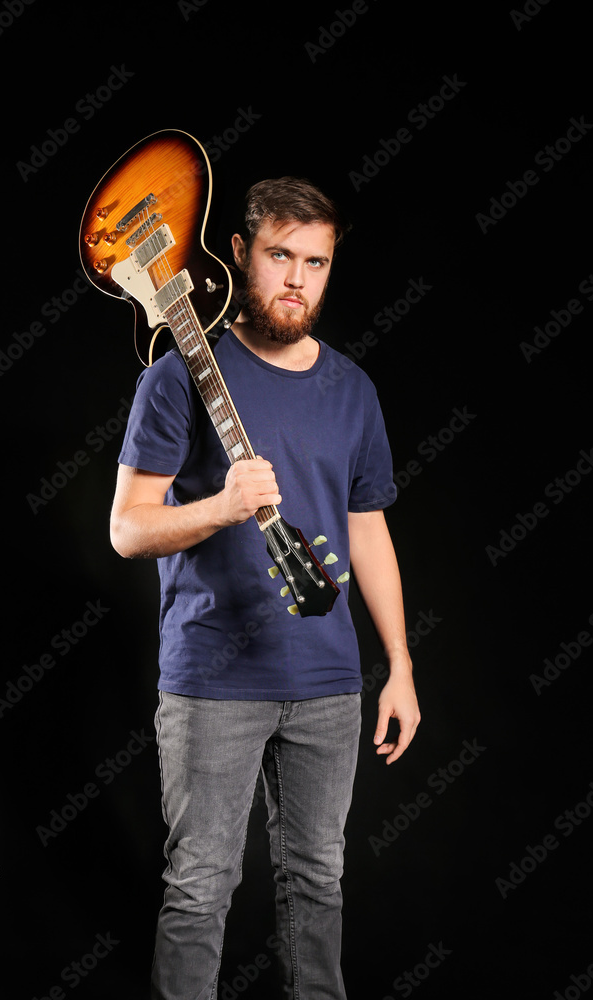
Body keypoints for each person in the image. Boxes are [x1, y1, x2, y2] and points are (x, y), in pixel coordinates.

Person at [110, 175, 421, 1000]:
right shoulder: (179, 376)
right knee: (201, 888)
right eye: (280, 255)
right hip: (212, 683)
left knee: (317, 887)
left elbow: (366, 530)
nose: (296, 279)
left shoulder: (352, 390)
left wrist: (398, 664)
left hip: (326, 683)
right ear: (240, 253)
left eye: (315, 262)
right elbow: (128, 528)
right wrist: (219, 506)